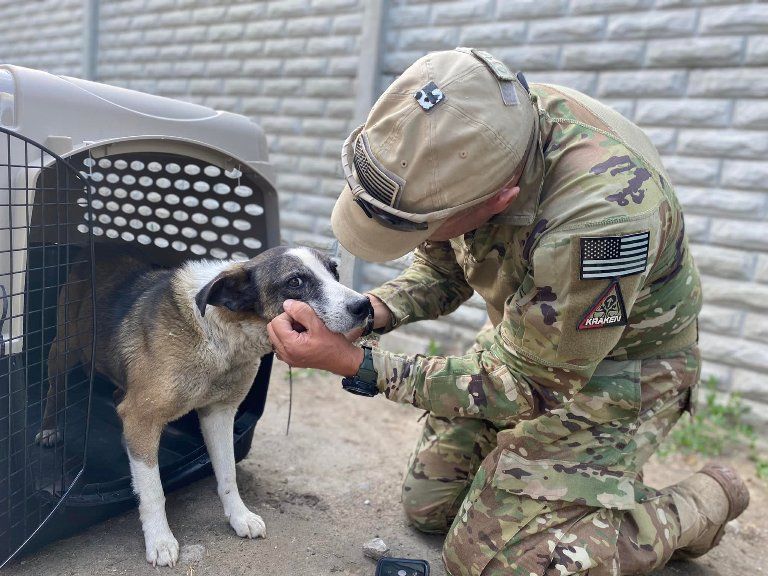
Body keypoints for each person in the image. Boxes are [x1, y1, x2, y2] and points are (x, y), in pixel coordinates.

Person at [267, 48, 749, 576]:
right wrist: (373, 311)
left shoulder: (600, 219)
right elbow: (443, 267)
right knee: (430, 508)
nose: (419, 239)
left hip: (621, 369)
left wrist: (356, 364)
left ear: (501, 198)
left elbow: (531, 384)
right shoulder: (470, 129)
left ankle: (700, 504)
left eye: (423, 225)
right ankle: (543, 480)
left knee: (500, 562)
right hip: (533, 339)